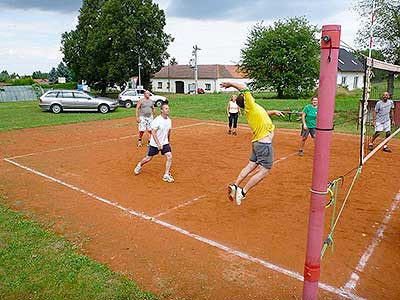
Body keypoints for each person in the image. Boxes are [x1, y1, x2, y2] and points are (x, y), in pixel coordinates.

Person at [221, 82, 284, 205]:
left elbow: (263, 113)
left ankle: (235, 185)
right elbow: (244, 87)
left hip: (257, 143)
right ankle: (243, 192)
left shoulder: (253, 108)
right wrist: (230, 84)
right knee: (265, 170)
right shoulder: (250, 104)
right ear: (245, 99)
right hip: (264, 144)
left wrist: (274, 111)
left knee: (251, 165)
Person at [134, 102, 174, 183]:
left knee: (169, 156)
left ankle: (166, 175)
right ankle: (139, 165)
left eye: (168, 108)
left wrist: (168, 142)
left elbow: (169, 131)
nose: (168, 110)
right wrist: (158, 144)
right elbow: (153, 133)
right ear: (161, 110)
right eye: (166, 108)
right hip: (155, 143)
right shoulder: (157, 120)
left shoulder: (169, 120)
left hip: (164, 142)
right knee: (148, 158)